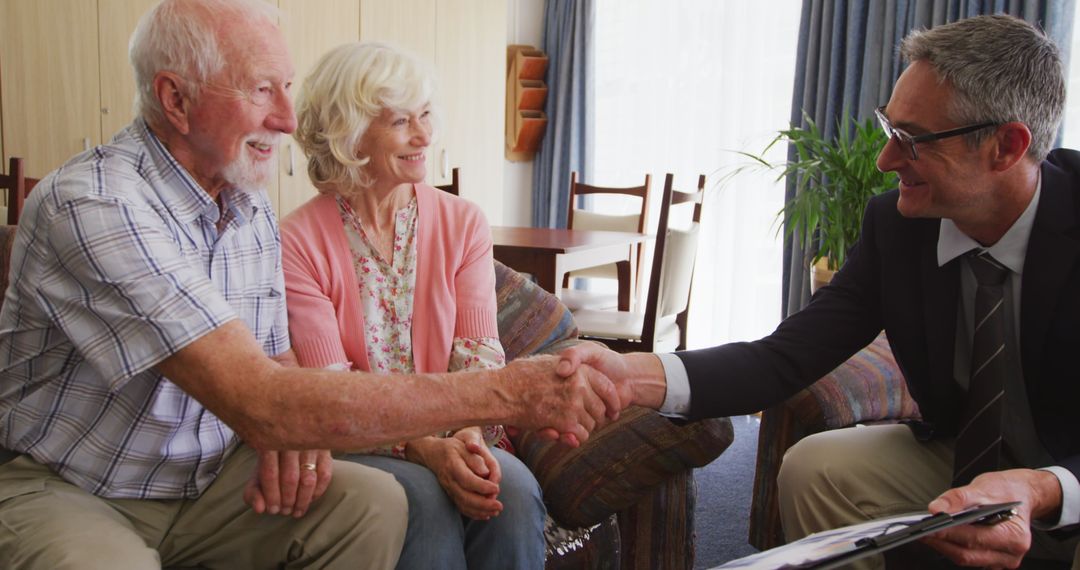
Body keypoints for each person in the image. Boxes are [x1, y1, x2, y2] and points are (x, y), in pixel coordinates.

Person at [0, 1, 620, 568]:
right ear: (176, 99)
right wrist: (506, 393)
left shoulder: (249, 208)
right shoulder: (96, 204)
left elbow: (281, 364)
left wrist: (290, 428)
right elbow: (262, 396)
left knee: (378, 504)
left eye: (288, 88)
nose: (289, 117)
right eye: (261, 89)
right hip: (78, 484)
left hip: (217, 474)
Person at [557, 14, 1079, 569]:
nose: (886, 160)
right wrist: (631, 374)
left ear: (1006, 146)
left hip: (1068, 470)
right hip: (967, 459)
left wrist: (1045, 488)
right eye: (889, 130)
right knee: (816, 468)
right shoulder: (898, 229)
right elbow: (783, 358)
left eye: (913, 141)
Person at [280, 42, 544, 569]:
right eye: (402, 122)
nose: (424, 137)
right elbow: (330, 390)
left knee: (509, 486)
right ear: (350, 134)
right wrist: (422, 446)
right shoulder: (295, 241)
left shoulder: (463, 222)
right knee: (420, 498)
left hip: (460, 426)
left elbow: (478, 354)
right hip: (357, 446)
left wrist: (467, 434)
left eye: (425, 116)